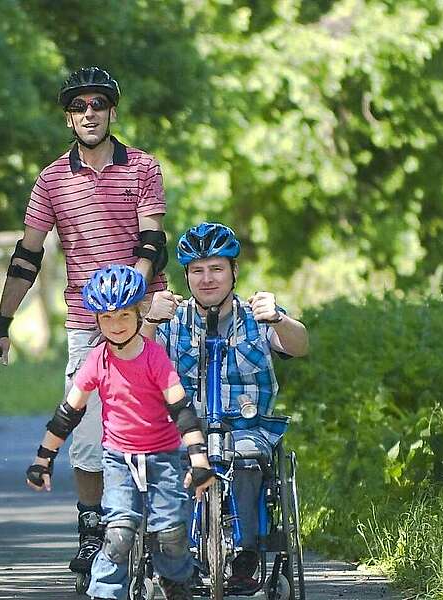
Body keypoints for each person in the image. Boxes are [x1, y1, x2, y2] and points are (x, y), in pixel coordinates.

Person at [0, 66, 170, 576]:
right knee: (85, 436)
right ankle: (93, 532)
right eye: (80, 106)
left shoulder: (144, 168)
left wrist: (133, 292)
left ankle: (170, 527)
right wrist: (1, 323)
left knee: (159, 424)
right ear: (68, 117)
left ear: (111, 112)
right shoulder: (51, 179)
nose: (90, 113)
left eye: (98, 104)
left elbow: (153, 241)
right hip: (87, 324)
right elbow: (27, 256)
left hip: (147, 315)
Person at [26, 265, 215, 600]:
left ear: (139, 314)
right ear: (97, 321)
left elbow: (182, 410)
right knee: (118, 535)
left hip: (164, 456)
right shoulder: (97, 359)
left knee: (171, 534)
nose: (116, 325)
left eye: (124, 315)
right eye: (107, 318)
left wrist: (199, 460)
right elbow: (68, 413)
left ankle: (176, 581)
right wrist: (43, 459)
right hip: (119, 460)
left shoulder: (155, 357)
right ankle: (105, 592)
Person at [142, 222, 310, 591]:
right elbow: (133, 361)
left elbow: (299, 346)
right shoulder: (172, 319)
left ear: (234, 272)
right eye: (197, 271)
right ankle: (173, 552)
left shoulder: (257, 316)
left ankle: (246, 552)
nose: (207, 279)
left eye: (216, 268)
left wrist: (280, 318)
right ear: (186, 275)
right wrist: (150, 320)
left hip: (246, 428)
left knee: (248, 459)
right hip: (184, 429)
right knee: (167, 462)